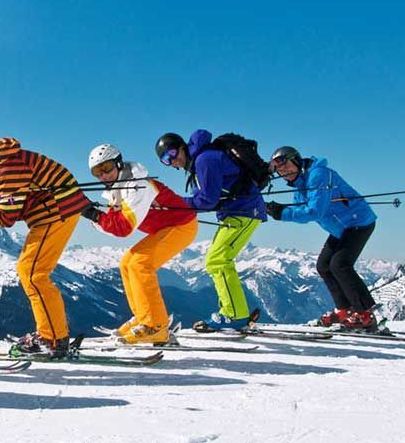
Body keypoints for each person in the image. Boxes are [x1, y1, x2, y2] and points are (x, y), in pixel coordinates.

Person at [0, 132, 89, 357]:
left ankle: (52, 340)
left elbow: (6, 217)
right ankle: (54, 335)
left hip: (56, 210)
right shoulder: (0, 167)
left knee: (33, 273)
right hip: (53, 210)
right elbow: (8, 201)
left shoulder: (6, 170)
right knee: (31, 272)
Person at [81, 144, 198, 344]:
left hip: (182, 225)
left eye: (107, 168)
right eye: (97, 172)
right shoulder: (118, 188)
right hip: (166, 228)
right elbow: (111, 225)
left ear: (118, 163)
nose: (103, 175)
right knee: (127, 263)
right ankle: (144, 317)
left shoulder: (137, 186)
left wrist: (93, 214)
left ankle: (156, 326)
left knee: (140, 264)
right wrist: (93, 216)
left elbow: (122, 228)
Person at [154, 130, 266, 331]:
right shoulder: (200, 161)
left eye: (171, 154)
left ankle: (235, 315)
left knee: (218, 260)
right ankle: (231, 312)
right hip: (237, 212)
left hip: (245, 211)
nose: (172, 161)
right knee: (217, 260)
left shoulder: (204, 160)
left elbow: (207, 201)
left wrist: (172, 204)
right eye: (165, 160)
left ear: (182, 147)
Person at [266, 146, 379, 331]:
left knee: (340, 265)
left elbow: (315, 211)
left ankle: (365, 314)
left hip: (358, 222)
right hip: (341, 228)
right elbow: (302, 211)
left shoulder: (317, 175)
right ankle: (345, 310)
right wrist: (279, 210)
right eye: (279, 170)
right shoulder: (299, 183)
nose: (284, 172)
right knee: (324, 266)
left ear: (296, 160)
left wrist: (283, 213)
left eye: (285, 166)